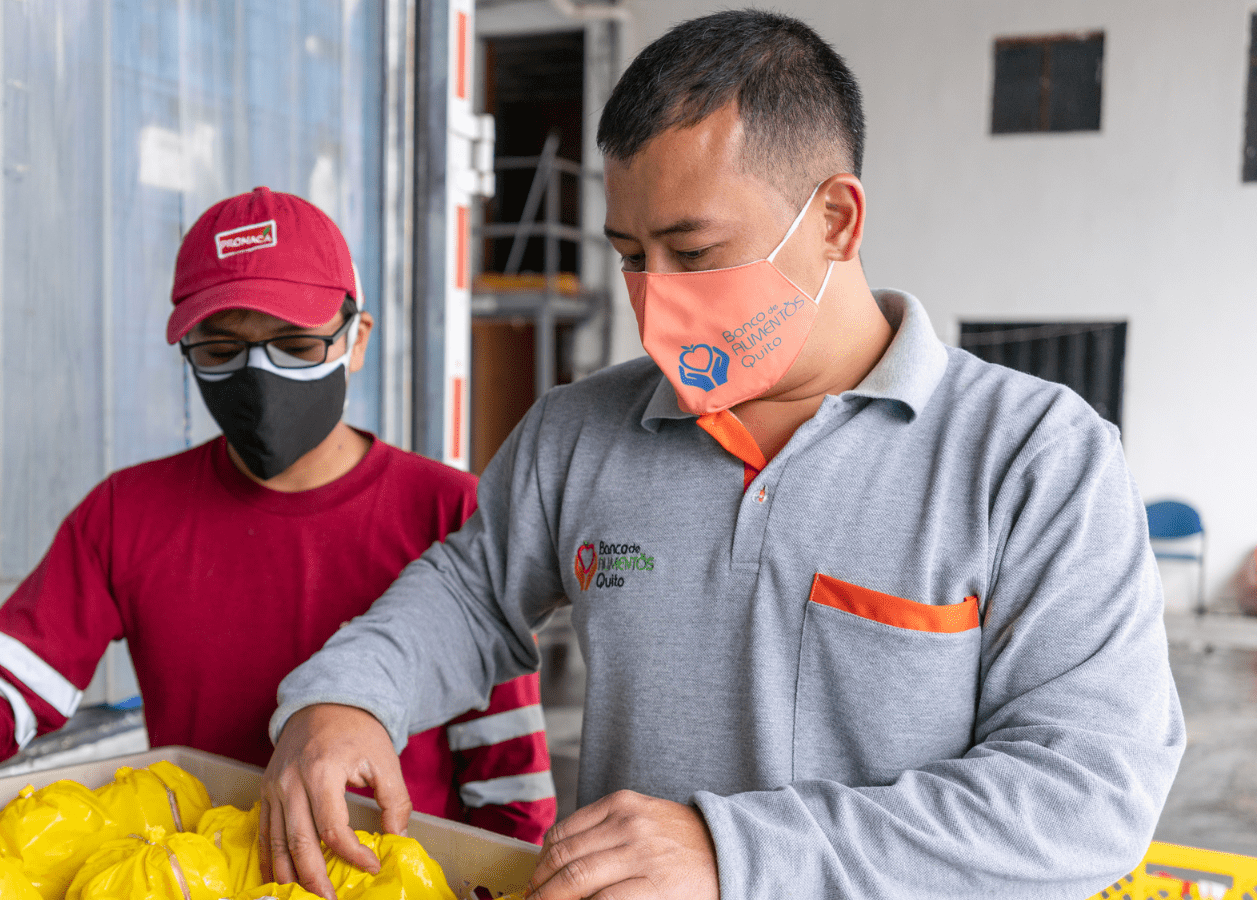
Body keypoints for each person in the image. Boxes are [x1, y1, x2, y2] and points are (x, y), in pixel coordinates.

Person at [260, 11, 1183, 900]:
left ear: (836, 221)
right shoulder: (580, 433)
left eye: (694, 252)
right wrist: (345, 698)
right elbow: (467, 593)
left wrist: (735, 853)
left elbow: (1087, 795)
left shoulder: (1032, 459)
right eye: (630, 253)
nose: (656, 297)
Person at [0, 187, 556, 861]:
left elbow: (509, 787)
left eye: (293, 344)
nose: (258, 376)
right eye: (220, 350)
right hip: (185, 876)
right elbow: (11, 681)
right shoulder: (128, 515)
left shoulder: (450, 510)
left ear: (356, 340)